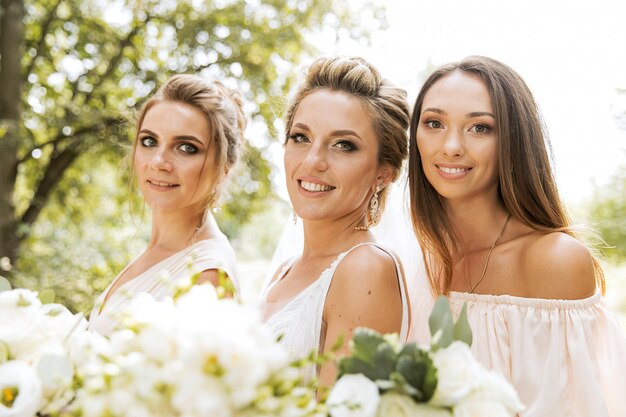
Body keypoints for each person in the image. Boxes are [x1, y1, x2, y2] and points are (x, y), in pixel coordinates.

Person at [407, 55, 626, 417]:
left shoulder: (554, 260)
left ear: (514, 140)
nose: (450, 146)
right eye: (434, 123)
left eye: (479, 128)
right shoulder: (414, 261)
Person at [259, 56, 412, 387]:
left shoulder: (365, 269)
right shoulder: (285, 269)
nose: (313, 161)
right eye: (301, 137)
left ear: (383, 175)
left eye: (344, 145)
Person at [89, 74, 244, 336]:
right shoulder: (158, 251)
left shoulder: (208, 278)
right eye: (149, 141)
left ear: (224, 168)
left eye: (186, 147)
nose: (159, 161)